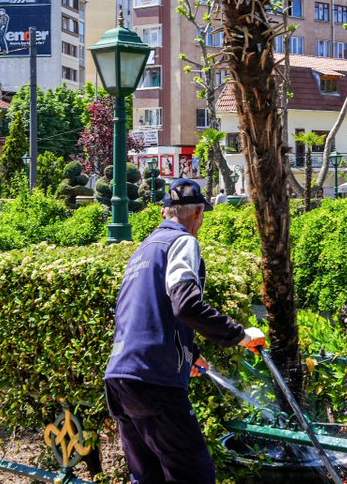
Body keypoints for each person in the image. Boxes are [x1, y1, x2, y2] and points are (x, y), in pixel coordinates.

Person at [105, 178, 265, 484]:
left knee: (148, 478)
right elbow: (185, 305)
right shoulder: (183, 242)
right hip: (154, 380)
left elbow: (149, 313)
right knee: (194, 476)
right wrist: (240, 335)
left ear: (165, 212)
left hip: (120, 379)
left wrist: (189, 353)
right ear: (198, 214)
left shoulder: (143, 249)